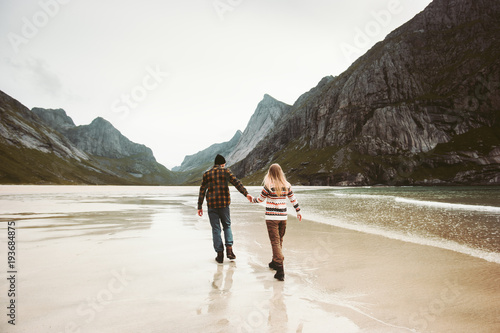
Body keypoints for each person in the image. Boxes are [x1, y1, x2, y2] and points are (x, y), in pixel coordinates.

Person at [250, 163, 302, 281]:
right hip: (283, 217)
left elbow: (260, 199)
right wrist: (298, 211)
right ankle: (274, 262)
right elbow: (293, 199)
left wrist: (251, 199)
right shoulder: (286, 185)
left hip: (271, 218)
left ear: (270, 173)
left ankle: (280, 269)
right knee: (279, 241)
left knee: (275, 242)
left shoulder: (268, 186)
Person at [198, 154, 252, 263]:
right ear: (222, 164)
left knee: (216, 229)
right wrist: (246, 194)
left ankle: (219, 254)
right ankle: (229, 250)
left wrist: (199, 206)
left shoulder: (207, 174)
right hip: (224, 204)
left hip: (212, 205)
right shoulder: (226, 171)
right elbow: (237, 182)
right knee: (227, 226)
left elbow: (202, 191)